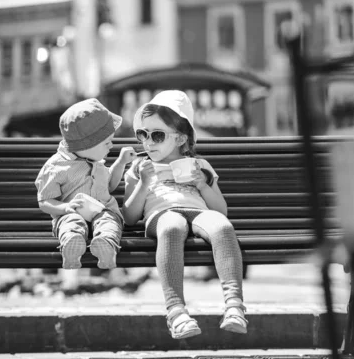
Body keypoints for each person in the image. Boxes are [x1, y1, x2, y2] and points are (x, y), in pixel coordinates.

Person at [122, 90, 247, 339]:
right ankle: (176, 311)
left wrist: (202, 184)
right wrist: (144, 184)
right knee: (172, 227)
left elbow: (221, 210)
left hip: (197, 211)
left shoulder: (200, 166)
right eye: (142, 134)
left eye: (157, 135)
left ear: (180, 138)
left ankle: (234, 305)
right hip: (162, 213)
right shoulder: (139, 167)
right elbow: (129, 216)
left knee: (222, 227)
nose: (148, 142)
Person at [35, 98, 136, 270]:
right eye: (106, 142)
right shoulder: (56, 166)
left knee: (109, 221)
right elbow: (44, 201)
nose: (111, 145)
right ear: (87, 144)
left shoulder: (97, 161)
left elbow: (109, 186)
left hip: (103, 211)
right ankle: (72, 249)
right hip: (71, 214)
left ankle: (106, 247)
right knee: (71, 223)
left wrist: (121, 162)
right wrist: (65, 208)